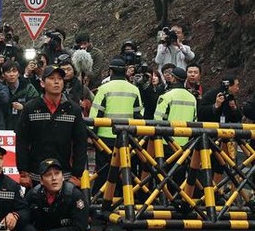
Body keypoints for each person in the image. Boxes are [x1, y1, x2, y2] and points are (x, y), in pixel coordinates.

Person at [16, 65, 88, 188]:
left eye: (60, 79)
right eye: (52, 78)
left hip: (65, 176)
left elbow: (80, 142)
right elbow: (22, 141)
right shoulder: (30, 108)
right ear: (42, 83)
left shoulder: (73, 109)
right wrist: (23, 172)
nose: (56, 82)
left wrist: (77, 174)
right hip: (36, 176)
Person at [89, 58, 143, 192]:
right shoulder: (134, 90)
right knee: (124, 170)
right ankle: (123, 198)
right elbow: (139, 115)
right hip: (127, 137)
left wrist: (91, 134)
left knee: (104, 170)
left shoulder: (104, 89)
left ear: (111, 71)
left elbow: (96, 115)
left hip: (104, 138)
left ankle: (100, 198)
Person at [154, 67, 197, 146]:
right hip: (185, 143)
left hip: (167, 141)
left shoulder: (166, 96)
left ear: (173, 78)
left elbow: (158, 120)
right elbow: (194, 120)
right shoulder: (192, 98)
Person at [3, 60, 39, 130]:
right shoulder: (0, 87)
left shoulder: (27, 86)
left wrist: (23, 107)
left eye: (14, 71)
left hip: (24, 126)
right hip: (4, 127)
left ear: (18, 73)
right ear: (3, 75)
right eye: (8, 72)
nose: (11, 74)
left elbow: (36, 103)